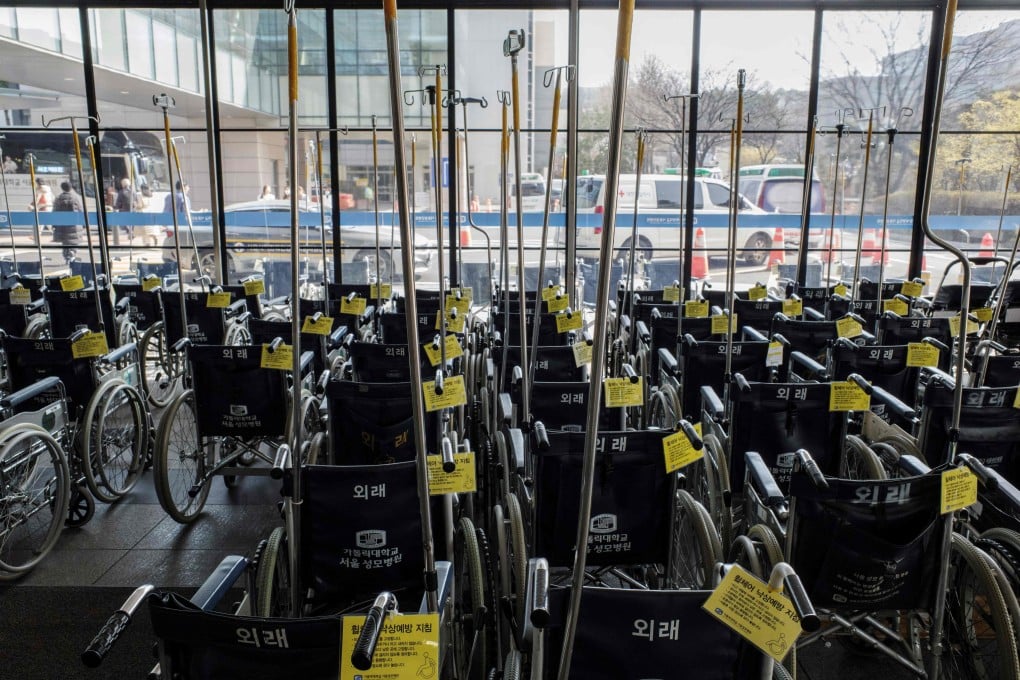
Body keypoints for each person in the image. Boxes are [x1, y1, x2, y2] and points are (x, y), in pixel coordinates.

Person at [51, 181, 85, 263]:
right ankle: (72, 254)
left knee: (65, 242)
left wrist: (54, 224)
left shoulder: (58, 198)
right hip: (74, 224)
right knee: (74, 241)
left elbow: (54, 212)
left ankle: (67, 256)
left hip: (62, 225)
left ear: (62, 188)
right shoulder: (75, 197)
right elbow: (80, 211)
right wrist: (84, 224)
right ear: (71, 188)